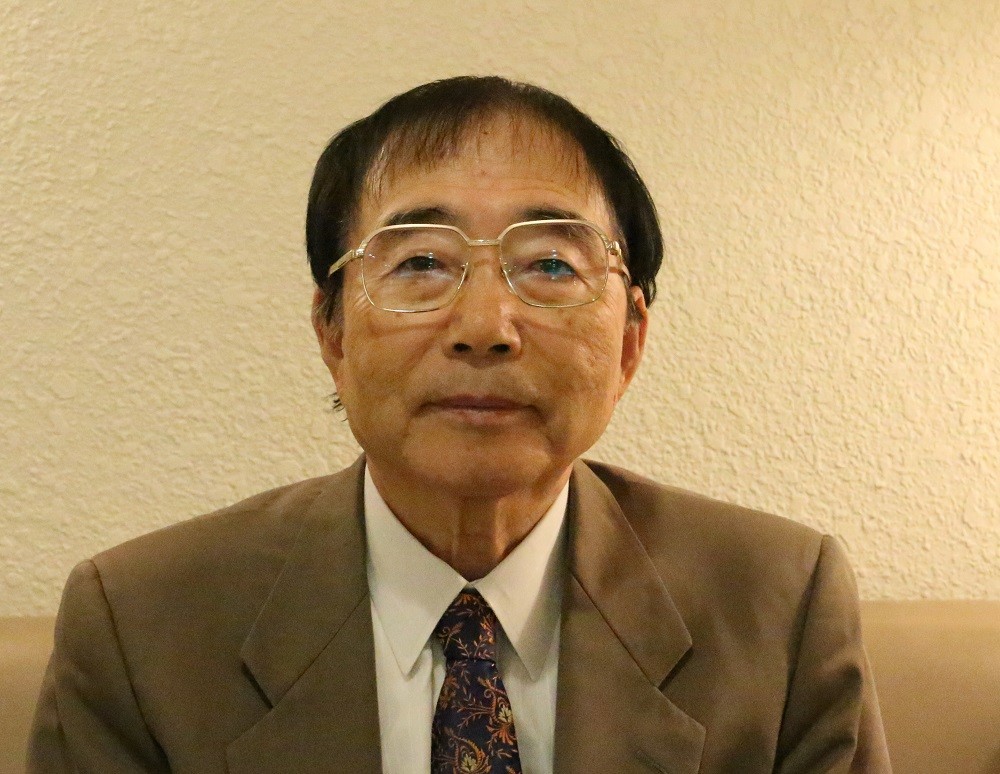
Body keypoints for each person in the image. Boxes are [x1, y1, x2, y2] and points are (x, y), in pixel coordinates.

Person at [28, 76, 891, 773]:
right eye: (421, 263)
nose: (485, 325)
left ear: (630, 340)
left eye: (549, 264)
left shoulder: (778, 608)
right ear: (332, 332)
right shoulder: (143, 625)